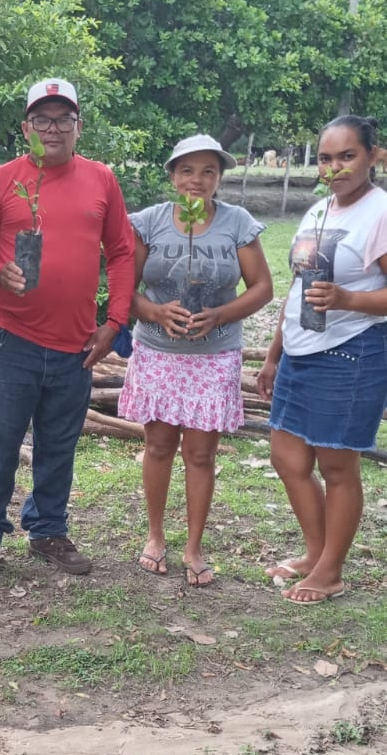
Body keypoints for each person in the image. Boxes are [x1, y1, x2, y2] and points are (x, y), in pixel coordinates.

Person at [0, 78, 135, 582]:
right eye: (43, 118)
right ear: (26, 127)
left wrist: (115, 321)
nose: (54, 128)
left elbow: (122, 252)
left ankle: (48, 529)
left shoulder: (101, 179)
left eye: (64, 118)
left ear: (78, 126)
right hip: (11, 336)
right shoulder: (0, 182)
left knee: (59, 443)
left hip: (78, 342)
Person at [118, 134, 273, 586]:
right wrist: (154, 311)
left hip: (213, 355)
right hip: (158, 352)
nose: (197, 180)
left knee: (201, 454)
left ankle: (194, 545)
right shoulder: (148, 222)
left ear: (220, 178)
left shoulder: (237, 223)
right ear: (172, 176)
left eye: (209, 171)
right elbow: (124, 287)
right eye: (187, 170)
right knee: (159, 446)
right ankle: (154, 536)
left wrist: (221, 315)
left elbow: (262, 287)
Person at [258, 114, 387, 604]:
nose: (335, 168)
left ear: (373, 155)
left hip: (351, 353)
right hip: (299, 350)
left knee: (337, 466)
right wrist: (274, 355)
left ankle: (331, 570)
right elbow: (298, 289)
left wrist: (349, 300)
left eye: (347, 156)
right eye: (326, 158)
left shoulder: (380, 213)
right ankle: (316, 552)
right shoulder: (318, 212)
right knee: (287, 458)